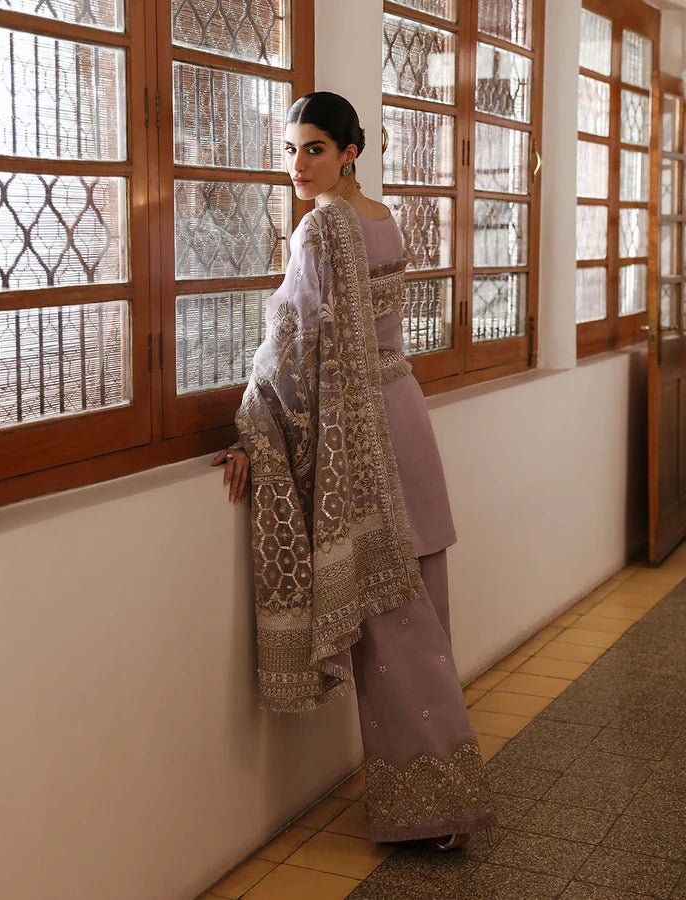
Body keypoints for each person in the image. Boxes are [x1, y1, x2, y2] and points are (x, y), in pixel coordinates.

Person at [212, 92, 495, 847]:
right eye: (290, 149)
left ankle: (434, 812)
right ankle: (449, 802)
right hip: (404, 417)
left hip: (364, 443)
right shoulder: (381, 216)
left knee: (395, 635)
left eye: (314, 149)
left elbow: (292, 338)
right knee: (423, 620)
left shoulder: (323, 226)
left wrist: (253, 427)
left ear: (348, 153)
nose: (299, 165)